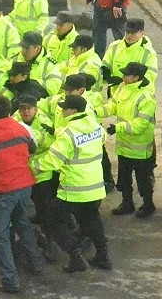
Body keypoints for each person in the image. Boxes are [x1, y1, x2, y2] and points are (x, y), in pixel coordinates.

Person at [34, 95, 112, 273]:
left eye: (64, 108)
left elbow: (52, 161)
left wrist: (32, 166)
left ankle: (75, 255)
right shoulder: (96, 127)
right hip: (94, 186)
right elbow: (101, 141)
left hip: (74, 188)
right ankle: (103, 255)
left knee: (53, 218)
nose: (61, 111)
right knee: (92, 217)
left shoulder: (68, 133)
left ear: (73, 111)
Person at [0, 96, 43, 293]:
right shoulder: (23, 128)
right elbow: (33, 147)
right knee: (23, 223)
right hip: (24, 185)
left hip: (2, 191)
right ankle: (36, 263)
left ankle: (10, 281)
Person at [104, 62, 157, 218]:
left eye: (127, 74)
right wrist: (97, 111)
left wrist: (118, 128)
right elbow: (113, 105)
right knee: (124, 179)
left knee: (143, 180)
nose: (123, 77)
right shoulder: (122, 87)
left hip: (140, 150)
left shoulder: (146, 97)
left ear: (136, 77)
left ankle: (148, 204)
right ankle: (127, 203)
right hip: (124, 146)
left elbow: (141, 124)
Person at [11, 95, 58, 262]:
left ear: (36, 109)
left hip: (41, 173)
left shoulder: (44, 122)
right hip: (22, 174)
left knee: (46, 211)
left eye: (28, 108)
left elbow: (51, 143)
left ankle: (50, 241)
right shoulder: (14, 120)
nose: (25, 112)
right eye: (22, 108)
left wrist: (31, 138)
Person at [102, 18, 157, 97]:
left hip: (137, 98)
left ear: (142, 33)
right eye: (127, 32)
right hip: (116, 96)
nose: (129, 35)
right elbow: (104, 66)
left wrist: (125, 82)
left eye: (133, 33)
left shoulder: (149, 53)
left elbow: (149, 77)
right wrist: (106, 74)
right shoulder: (114, 47)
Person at [10, 31, 63, 95]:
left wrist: (28, 84)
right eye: (22, 47)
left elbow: (53, 87)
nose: (23, 51)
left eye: (27, 48)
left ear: (38, 49)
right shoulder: (16, 59)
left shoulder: (50, 65)